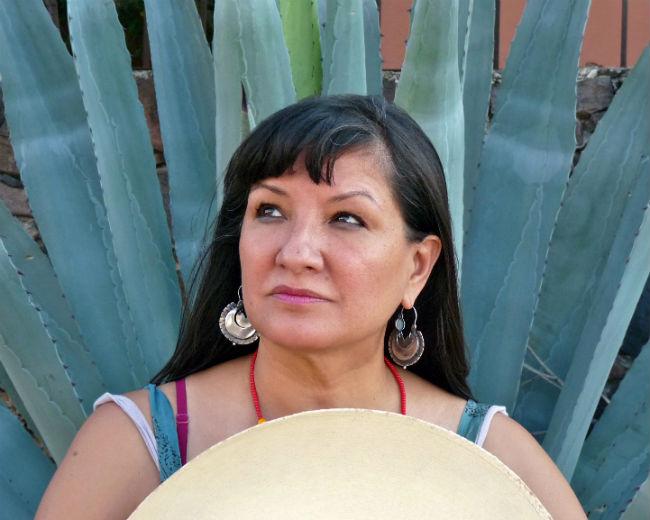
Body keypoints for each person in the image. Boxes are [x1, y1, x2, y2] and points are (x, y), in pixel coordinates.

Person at [35, 95, 586, 518]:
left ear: (417, 266)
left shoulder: (492, 461)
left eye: (347, 219)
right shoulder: (141, 442)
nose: (297, 253)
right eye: (270, 211)